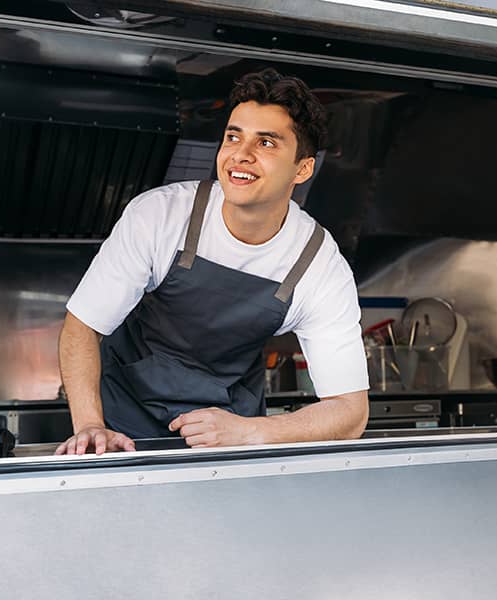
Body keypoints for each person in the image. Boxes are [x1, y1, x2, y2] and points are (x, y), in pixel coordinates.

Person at [56, 68, 368, 455]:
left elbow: (350, 412)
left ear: (302, 168)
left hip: (227, 432)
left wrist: (250, 432)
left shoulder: (318, 264)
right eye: (233, 136)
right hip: (121, 425)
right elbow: (82, 327)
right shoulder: (161, 216)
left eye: (266, 143)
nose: (241, 154)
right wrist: (90, 424)